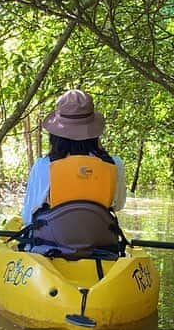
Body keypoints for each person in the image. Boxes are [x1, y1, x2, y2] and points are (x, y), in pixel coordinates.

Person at [21, 89, 126, 259]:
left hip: (50, 249)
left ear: (55, 133)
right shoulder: (114, 165)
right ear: (94, 131)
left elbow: (27, 217)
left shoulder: (43, 166)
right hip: (100, 248)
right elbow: (118, 205)